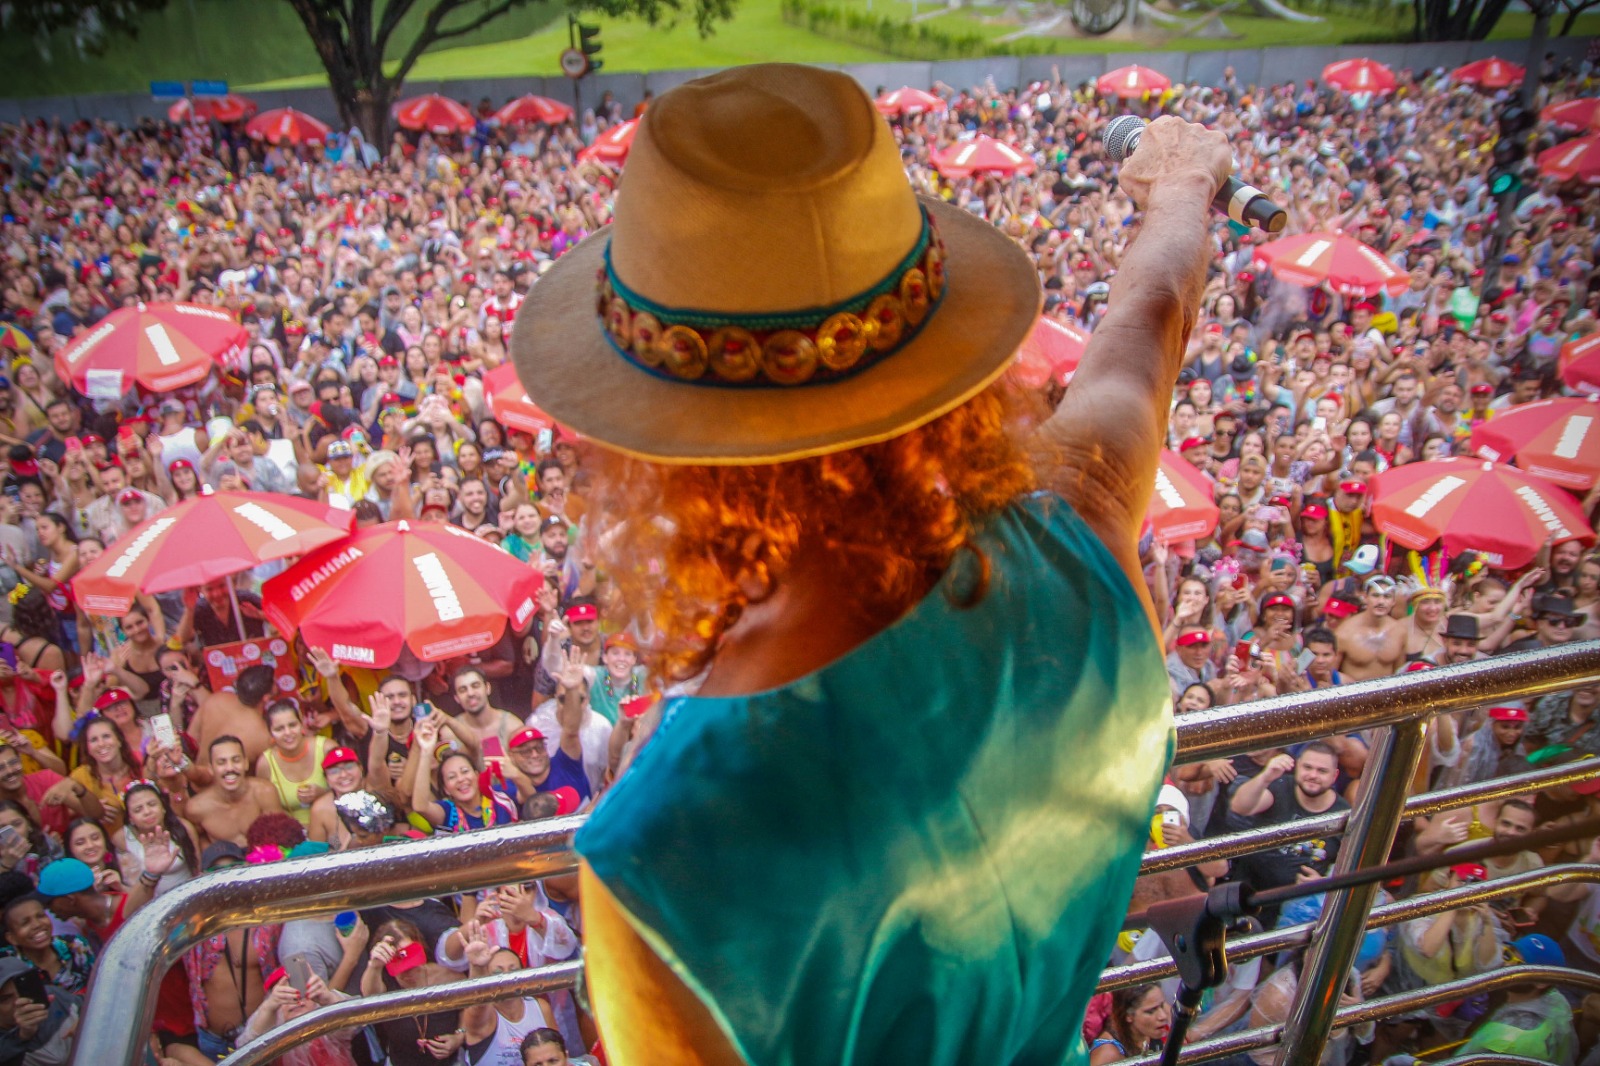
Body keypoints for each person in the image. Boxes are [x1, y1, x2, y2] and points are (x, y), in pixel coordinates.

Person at [514, 66, 1226, 1066]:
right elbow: (1146, 322)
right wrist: (1185, 186)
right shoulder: (1082, 532)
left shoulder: (658, 858)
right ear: (941, 360)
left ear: (659, 452)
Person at [185, 737, 285, 848]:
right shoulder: (196, 808)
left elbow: (279, 836)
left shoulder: (264, 792)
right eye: (221, 762)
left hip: (265, 858)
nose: (230, 768)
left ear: (246, 763)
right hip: (225, 861)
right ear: (211, 769)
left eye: (236, 760)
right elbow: (198, 842)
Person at [0, 955, 79, 1065]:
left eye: (24, 990)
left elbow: (94, 1006)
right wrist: (21, 1037)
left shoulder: (52, 996)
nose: (19, 1002)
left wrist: (86, 1020)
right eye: (5, 999)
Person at [1088, 984, 1169, 1064]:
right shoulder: (1107, 1054)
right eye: (1151, 1011)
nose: (1163, 1016)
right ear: (1128, 1015)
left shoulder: (1158, 1016)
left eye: (1162, 1005)